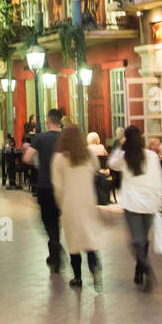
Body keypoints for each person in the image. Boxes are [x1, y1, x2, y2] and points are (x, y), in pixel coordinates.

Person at [108, 127, 162, 291]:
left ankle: (145, 267)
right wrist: (159, 202)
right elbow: (159, 180)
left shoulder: (126, 157)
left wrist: (120, 146)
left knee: (136, 240)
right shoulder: (153, 156)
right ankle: (140, 271)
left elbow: (111, 163)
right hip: (150, 203)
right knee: (143, 238)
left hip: (132, 204)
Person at [51, 123, 103, 291]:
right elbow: (97, 171)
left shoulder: (59, 158)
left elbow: (58, 186)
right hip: (88, 202)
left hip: (70, 204)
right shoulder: (88, 154)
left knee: (73, 243)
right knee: (89, 239)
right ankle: (95, 270)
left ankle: (78, 278)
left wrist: (61, 203)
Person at [22, 108, 64, 272]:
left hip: (45, 184)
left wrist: (38, 163)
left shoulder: (40, 138)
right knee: (56, 218)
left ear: (48, 120)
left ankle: (55, 246)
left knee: (48, 220)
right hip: (61, 185)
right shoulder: (64, 138)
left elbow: (27, 158)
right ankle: (54, 250)